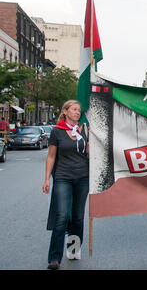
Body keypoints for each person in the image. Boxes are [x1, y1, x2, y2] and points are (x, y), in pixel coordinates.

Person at [42, 100, 89, 270]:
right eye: (74, 109)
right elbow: (51, 156)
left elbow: (90, 153)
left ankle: (74, 248)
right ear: (65, 111)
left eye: (79, 110)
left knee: (77, 215)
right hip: (63, 177)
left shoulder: (84, 130)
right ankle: (54, 258)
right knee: (62, 216)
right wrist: (47, 179)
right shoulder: (57, 131)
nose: (78, 112)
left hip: (83, 177)